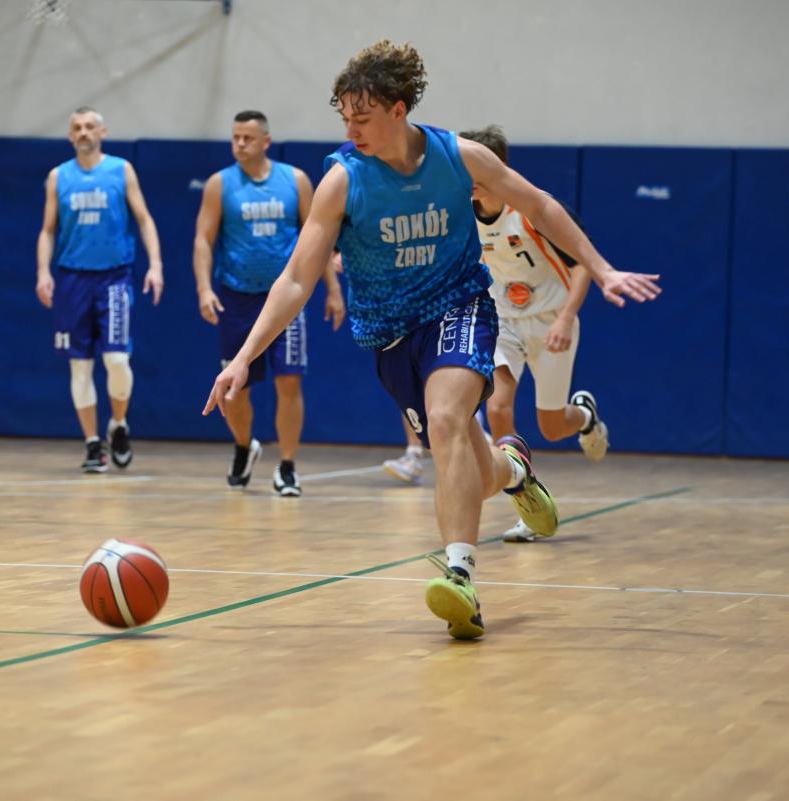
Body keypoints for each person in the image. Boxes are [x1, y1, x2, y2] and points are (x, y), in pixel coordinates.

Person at [205, 41, 661, 640]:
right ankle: (515, 471)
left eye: (362, 117)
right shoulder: (343, 180)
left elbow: (540, 205)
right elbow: (296, 278)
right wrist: (243, 357)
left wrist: (600, 269)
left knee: (446, 420)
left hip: (460, 307)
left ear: (398, 110)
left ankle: (461, 577)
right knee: (473, 465)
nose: (350, 130)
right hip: (391, 335)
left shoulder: (458, 157)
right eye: (344, 117)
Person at [460, 125, 613, 542]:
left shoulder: (532, 209)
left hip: (551, 321)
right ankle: (525, 497)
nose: (469, 176)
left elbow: (581, 266)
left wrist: (566, 317)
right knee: (497, 407)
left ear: (498, 167)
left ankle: (585, 416)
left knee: (552, 426)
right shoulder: (462, 214)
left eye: (476, 166)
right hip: (504, 321)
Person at [194, 110, 345, 496]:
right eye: (235, 137)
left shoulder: (295, 180)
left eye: (247, 137)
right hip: (236, 299)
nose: (240, 143)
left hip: (285, 301)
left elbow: (317, 238)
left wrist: (332, 289)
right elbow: (203, 241)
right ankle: (244, 446)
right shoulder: (219, 184)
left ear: (266, 141)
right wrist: (204, 289)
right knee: (235, 387)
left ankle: (288, 466)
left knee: (289, 381)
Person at [36, 106, 163, 473]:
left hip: (114, 278)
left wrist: (155, 264)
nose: (83, 132)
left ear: (102, 132)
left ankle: (118, 424)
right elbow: (47, 230)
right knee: (80, 366)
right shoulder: (58, 176)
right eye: (77, 127)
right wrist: (43, 272)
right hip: (72, 279)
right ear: (69, 135)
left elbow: (144, 219)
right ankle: (93, 444)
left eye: (90, 126)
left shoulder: (121, 170)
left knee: (117, 360)